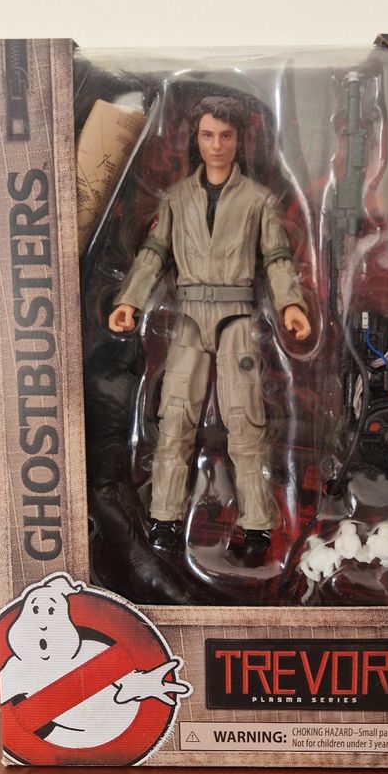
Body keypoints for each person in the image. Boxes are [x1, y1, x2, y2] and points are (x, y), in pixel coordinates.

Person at [108, 96, 311, 566]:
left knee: (244, 419)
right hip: (189, 317)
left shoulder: (258, 200)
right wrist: (129, 300)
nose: (216, 145)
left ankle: (257, 524)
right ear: (195, 140)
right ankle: (164, 517)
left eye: (226, 135)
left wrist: (291, 305)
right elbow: (153, 254)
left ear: (239, 140)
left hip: (237, 315)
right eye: (207, 135)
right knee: (175, 416)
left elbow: (277, 259)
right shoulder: (177, 199)